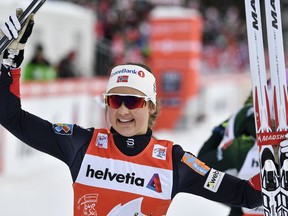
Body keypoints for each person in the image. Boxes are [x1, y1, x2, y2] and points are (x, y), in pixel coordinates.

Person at [0, 10, 267, 216]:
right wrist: (11, 63)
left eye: (133, 101)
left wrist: (273, 168)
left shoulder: (174, 163)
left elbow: (247, 195)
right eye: (115, 100)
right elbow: (11, 117)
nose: (124, 110)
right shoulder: (81, 144)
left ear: (151, 106)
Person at [198, 92, 261, 216]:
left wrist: (219, 131)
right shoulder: (241, 147)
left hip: (246, 207)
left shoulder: (240, 148)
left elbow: (201, 166)